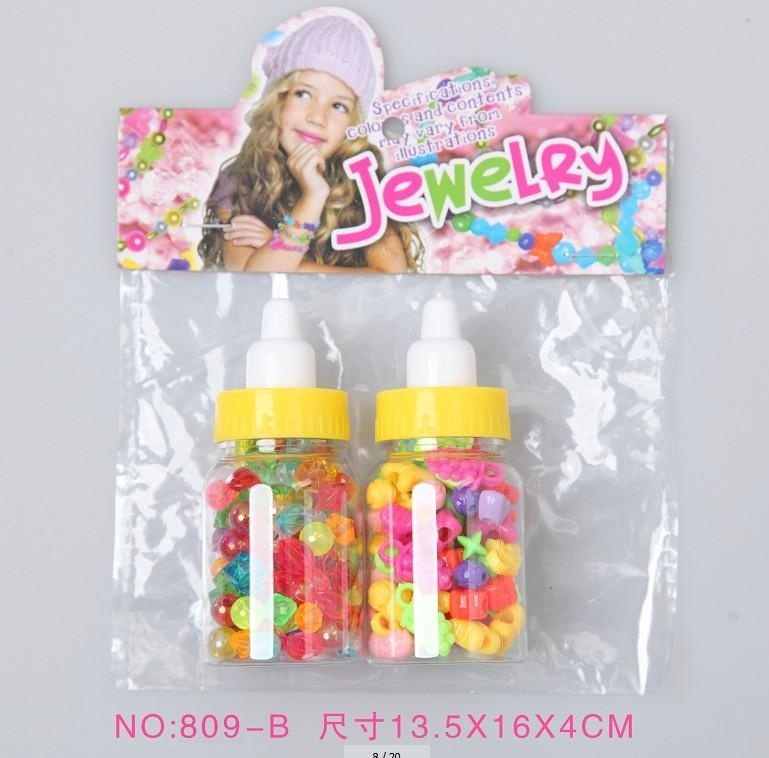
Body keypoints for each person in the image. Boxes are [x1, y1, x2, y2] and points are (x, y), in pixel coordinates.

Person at [198, 15, 423, 273]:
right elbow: (253, 283)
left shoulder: (364, 182)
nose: (317, 117)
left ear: (352, 124)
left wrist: (281, 247)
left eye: (339, 106)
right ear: (278, 98)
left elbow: (390, 278)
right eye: (303, 94)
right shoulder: (240, 180)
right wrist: (313, 197)